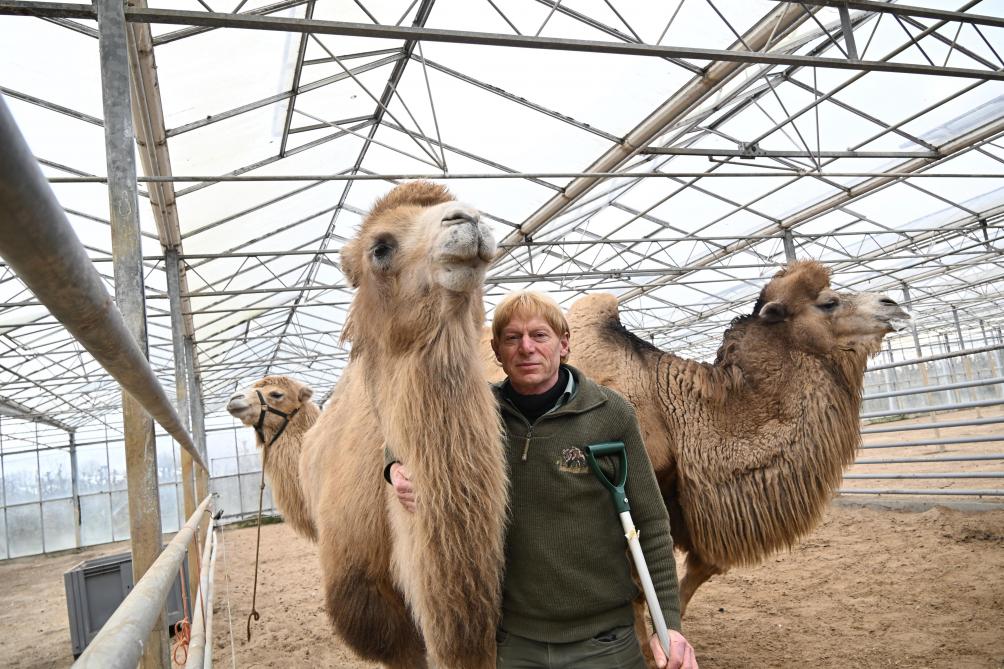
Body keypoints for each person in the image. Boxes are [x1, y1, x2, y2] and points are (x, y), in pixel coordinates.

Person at [387, 291, 698, 669]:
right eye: (513, 338)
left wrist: (669, 624)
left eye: (540, 335)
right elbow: (408, 428)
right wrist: (396, 467)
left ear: (564, 345)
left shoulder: (609, 413)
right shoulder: (477, 414)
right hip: (516, 643)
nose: (526, 348)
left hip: (605, 641)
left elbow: (650, 523)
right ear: (498, 352)